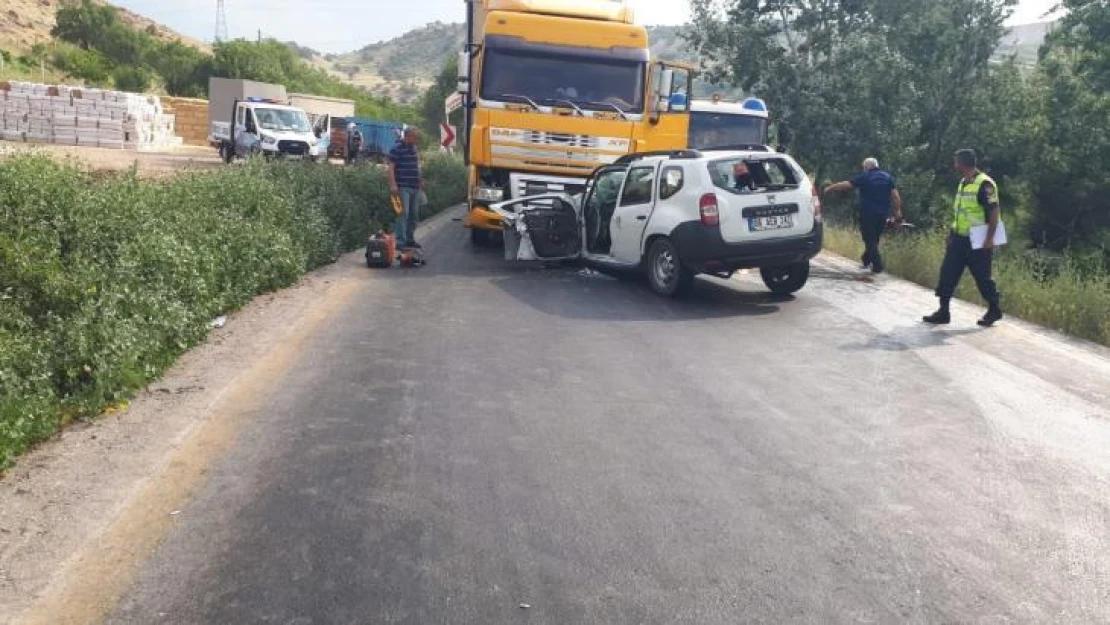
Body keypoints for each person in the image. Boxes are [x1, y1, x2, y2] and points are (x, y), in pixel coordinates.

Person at [924, 149, 1003, 327]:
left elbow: (994, 212)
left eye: (955, 162)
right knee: (947, 273)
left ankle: (994, 309)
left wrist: (989, 239)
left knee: (982, 277)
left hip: (978, 239)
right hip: (959, 238)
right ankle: (943, 311)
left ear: (961, 163)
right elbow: (962, 212)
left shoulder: (985, 184)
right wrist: (952, 232)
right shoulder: (963, 182)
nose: (954, 165)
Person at [824, 158, 902, 274]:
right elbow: (895, 196)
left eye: (863, 168)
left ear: (867, 167)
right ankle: (866, 259)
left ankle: (878, 265)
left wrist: (830, 188)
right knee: (874, 239)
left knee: (869, 239)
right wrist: (897, 212)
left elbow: (847, 185)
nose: (863, 170)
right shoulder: (887, 177)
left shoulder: (865, 177)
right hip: (882, 215)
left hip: (867, 214)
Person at [388, 127, 424, 249]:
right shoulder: (396, 148)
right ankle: (400, 242)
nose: (416, 140)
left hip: (415, 186)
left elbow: (417, 165)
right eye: (414, 137)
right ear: (408, 136)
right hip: (403, 186)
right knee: (403, 213)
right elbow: (391, 167)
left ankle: (410, 239)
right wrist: (393, 185)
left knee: (414, 214)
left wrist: (420, 181)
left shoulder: (414, 148)